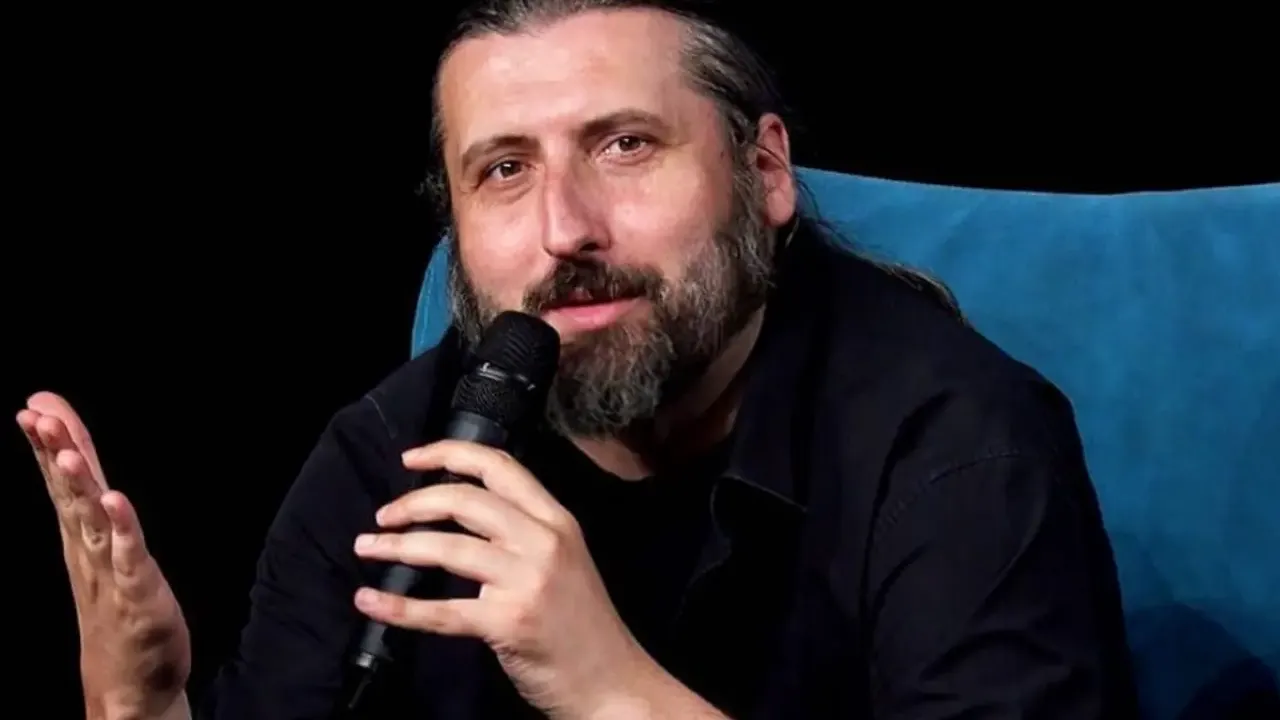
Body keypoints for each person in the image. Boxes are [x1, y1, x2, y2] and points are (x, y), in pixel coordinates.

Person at [21, 1, 1140, 718]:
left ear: (765, 174)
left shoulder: (960, 444)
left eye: (625, 145)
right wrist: (143, 707)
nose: (566, 230)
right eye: (504, 170)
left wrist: (611, 691)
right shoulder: (390, 455)